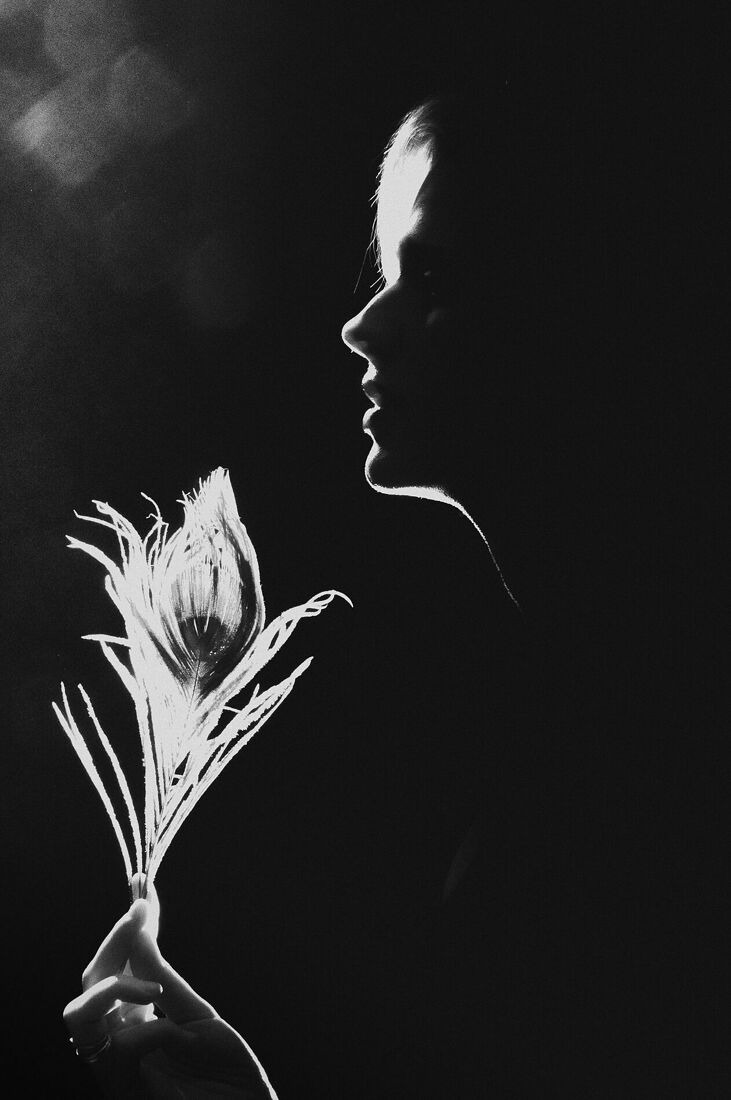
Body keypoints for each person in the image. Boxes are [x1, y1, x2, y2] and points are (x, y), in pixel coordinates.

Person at [64, 66, 721, 1096]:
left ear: (571, 303)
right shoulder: (586, 693)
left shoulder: (651, 747)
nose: (360, 326)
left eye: (431, 275)